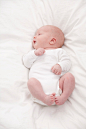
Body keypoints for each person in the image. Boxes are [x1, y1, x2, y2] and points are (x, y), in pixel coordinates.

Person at [23, 25, 75, 106]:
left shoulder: (59, 51)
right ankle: (44, 98)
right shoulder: (34, 53)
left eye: (39, 34)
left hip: (58, 87)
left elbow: (67, 62)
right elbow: (26, 63)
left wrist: (60, 65)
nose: (34, 36)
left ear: (52, 40)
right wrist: (34, 54)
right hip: (39, 90)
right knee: (31, 82)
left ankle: (64, 97)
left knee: (69, 76)